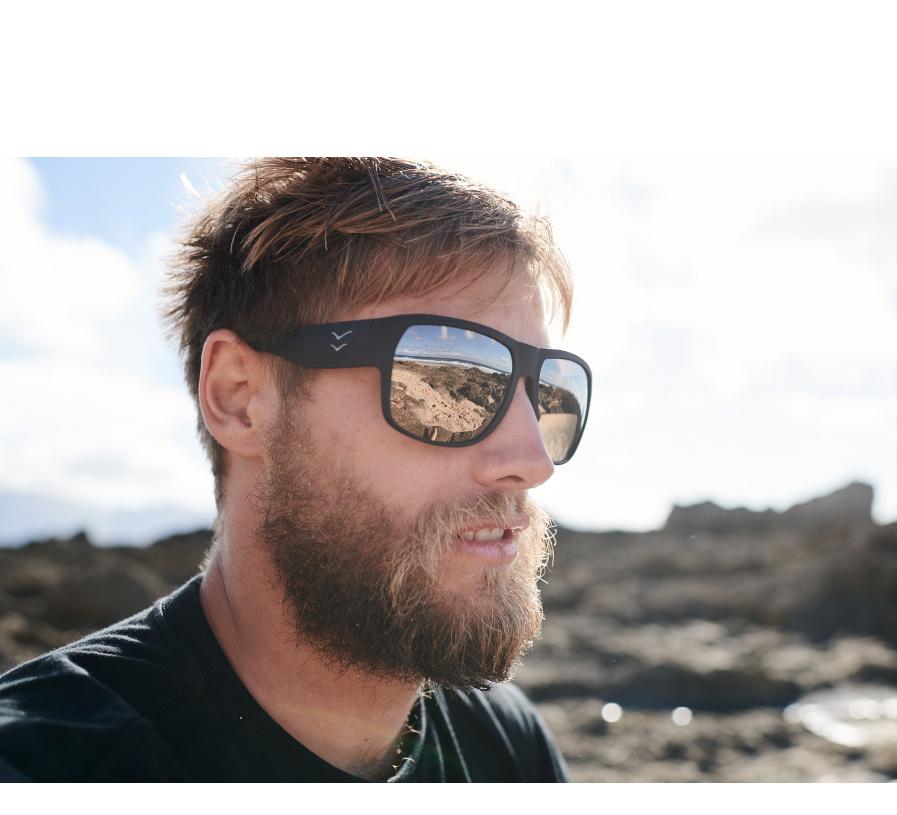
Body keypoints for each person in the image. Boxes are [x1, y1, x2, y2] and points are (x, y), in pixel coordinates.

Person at [0, 158, 592, 782]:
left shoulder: (506, 745)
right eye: (450, 379)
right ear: (239, 397)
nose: (531, 461)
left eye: (549, 392)